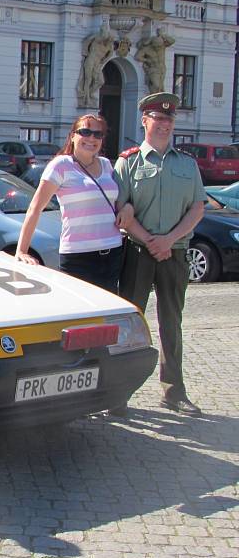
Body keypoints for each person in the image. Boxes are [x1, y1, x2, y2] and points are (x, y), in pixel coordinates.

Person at [114, 92, 206, 416]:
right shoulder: (127, 162)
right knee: (129, 324)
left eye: (169, 119)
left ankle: (174, 392)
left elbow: (197, 208)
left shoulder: (187, 164)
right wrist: (152, 240)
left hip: (175, 253)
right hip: (138, 252)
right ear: (144, 120)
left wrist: (168, 240)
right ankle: (119, 393)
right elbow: (121, 209)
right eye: (158, 117)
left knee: (171, 324)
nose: (165, 124)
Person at [16, 114, 132, 294]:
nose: (91, 138)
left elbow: (118, 201)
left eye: (97, 134)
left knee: (107, 312)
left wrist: (128, 207)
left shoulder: (107, 165)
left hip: (113, 251)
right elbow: (35, 208)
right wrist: (22, 250)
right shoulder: (61, 165)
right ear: (72, 136)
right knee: (81, 312)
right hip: (78, 255)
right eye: (85, 132)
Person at [76, 25, 115, 108]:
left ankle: (89, 93)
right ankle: (86, 99)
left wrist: (103, 60)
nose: (109, 41)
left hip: (97, 63)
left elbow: (109, 55)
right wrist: (85, 52)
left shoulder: (109, 47)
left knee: (101, 81)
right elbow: (87, 41)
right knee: (88, 79)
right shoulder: (97, 40)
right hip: (90, 60)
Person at [134, 28, 176, 93]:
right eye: (156, 46)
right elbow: (137, 57)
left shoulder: (162, 47)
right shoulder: (147, 49)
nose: (157, 48)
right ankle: (155, 98)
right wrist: (146, 60)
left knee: (161, 87)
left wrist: (162, 35)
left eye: (159, 46)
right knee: (156, 85)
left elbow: (172, 41)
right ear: (152, 44)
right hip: (153, 69)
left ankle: (158, 100)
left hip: (162, 69)